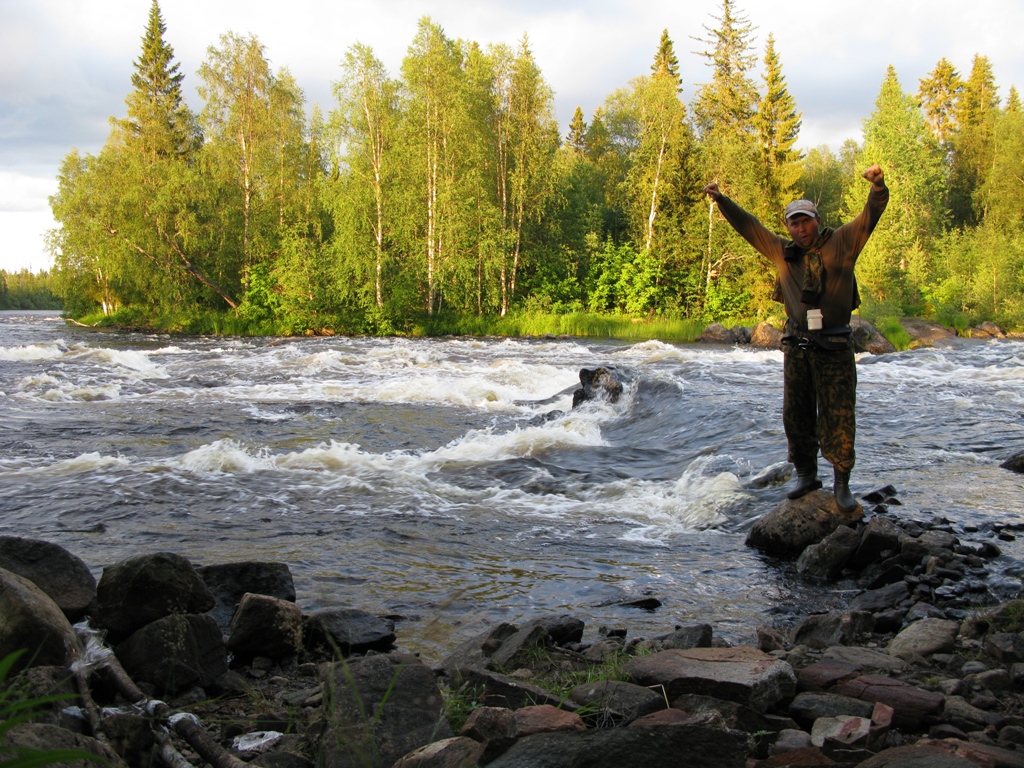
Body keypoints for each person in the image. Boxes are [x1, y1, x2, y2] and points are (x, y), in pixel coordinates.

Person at [702, 166, 888, 512]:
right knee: (796, 414)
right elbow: (749, 226)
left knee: (840, 416)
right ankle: (806, 475)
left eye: (806, 221)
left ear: (817, 220)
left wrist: (877, 187)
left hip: (834, 347)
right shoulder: (782, 251)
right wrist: (721, 200)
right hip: (797, 348)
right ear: (788, 226)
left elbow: (871, 214)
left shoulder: (843, 242)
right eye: (794, 223)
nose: (800, 229)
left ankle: (842, 483)